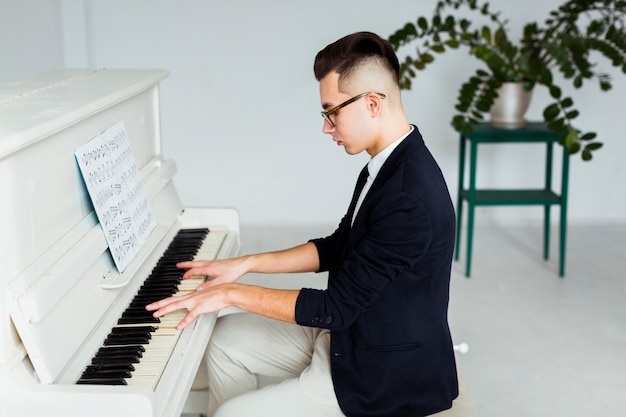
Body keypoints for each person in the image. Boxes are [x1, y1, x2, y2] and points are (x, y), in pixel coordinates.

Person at [147, 31, 467, 417]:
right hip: (352, 337)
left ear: (372, 103)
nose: (326, 127)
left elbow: (336, 307)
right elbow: (338, 247)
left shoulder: (408, 196)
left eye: (332, 112)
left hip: (380, 372)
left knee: (230, 413)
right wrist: (247, 263)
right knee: (225, 339)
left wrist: (231, 293)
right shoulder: (386, 164)